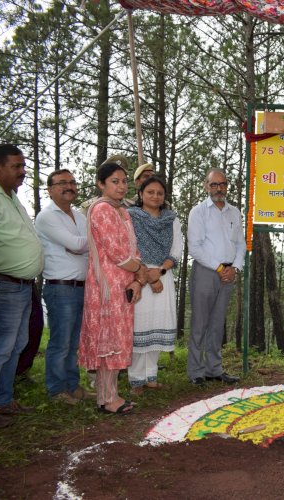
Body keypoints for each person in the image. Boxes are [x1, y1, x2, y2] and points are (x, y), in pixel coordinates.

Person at [79, 162, 148, 415]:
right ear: (101, 184)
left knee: (116, 340)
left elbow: (133, 248)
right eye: (114, 181)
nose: (121, 186)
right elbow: (117, 253)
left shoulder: (123, 211)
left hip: (124, 282)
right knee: (108, 341)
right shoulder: (102, 210)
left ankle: (110, 395)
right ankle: (107, 399)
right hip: (106, 285)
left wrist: (137, 279)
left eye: (123, 181)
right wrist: (139, 270)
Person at [0, 144, 43, 428]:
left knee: (17, 344)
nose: (22, 172)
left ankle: (3, 400)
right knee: (0, 346)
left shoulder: (11, 196)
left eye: (23, 166)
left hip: (22, 285)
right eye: (16, 166)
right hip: (2, 284)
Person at [35, 169, 94, 405]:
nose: (69, 186)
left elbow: (80, 246)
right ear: (50, 189)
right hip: (60, 288)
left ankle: (72, 386)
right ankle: (57, 390)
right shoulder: (46, 216)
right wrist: (84, 244)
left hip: (82, 286)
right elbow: (78, 245)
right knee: (60, 342)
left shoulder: (80, 216)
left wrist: (81, 245)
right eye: (62, 183)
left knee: (74, 342)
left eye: (72, 182)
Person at [187, 168, 245, 385]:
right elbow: (195, 247)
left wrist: (235, 268)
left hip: (228, 274)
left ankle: (214, 369)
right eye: (214, 184)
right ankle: (196, 372)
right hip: (207, 272)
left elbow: (240, 244)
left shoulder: (234, 212)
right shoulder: (198, 212)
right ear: (206, 186)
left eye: (223, 184)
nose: (219, 188)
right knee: (200, 323)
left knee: (217, 324)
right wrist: (220, 269)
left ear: (227, 186)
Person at [128, 176, 182, 395]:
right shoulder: (131, 217)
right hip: (138, 275)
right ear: (141, 194)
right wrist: (146, 274)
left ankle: (151, 376)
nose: (155, 196)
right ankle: (135, 379)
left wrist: (159, 272)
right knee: (140, 325)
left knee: (156, 325)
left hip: (163, 275)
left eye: (160, 193)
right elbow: (129, 246)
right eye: (150, 192)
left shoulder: (172, 219)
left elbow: (177, 249)